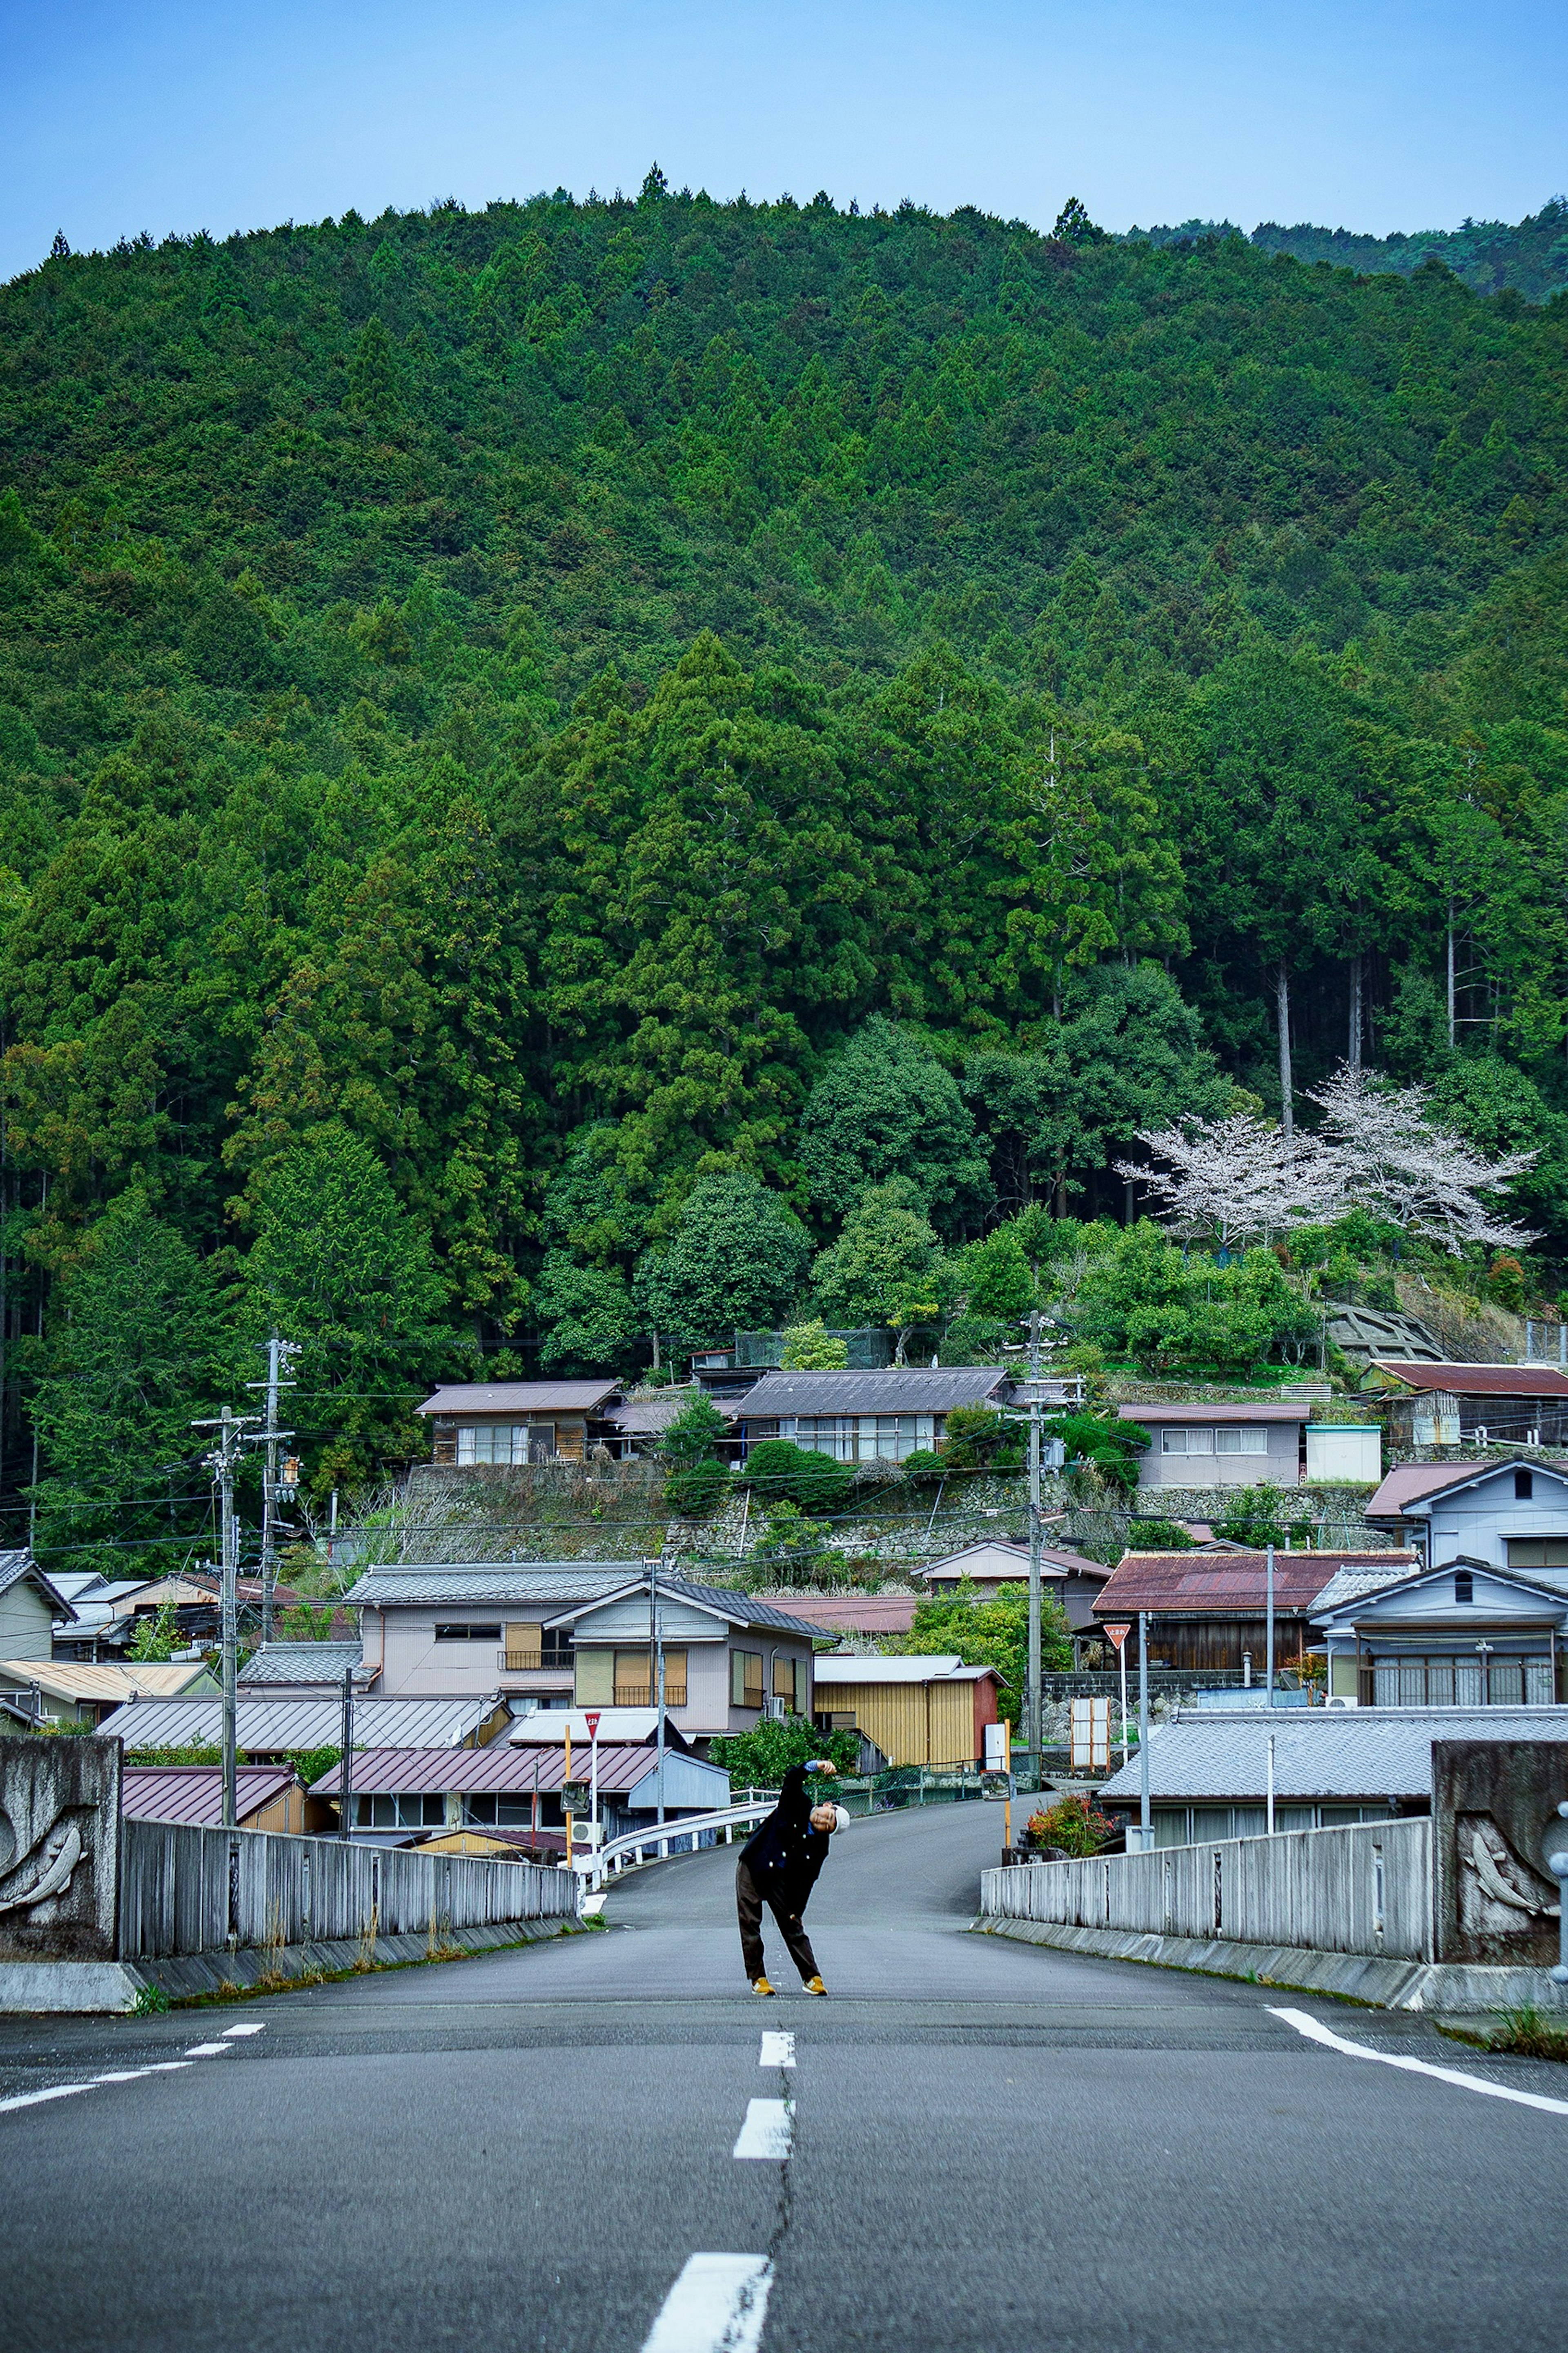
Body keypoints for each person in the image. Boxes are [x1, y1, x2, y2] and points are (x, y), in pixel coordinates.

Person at [737, 1757, 849, 1996]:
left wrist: (797, 1909)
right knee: (750, 1922)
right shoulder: (798, 1802)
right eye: (827, 1816)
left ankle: (812, 1978)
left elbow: (809, 1879)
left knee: (793, 1925)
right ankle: (758, 1979)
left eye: (828, 1826)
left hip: (779, 1878)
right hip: (755, 1863)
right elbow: (792, 1779)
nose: (823, 1822)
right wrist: (815, 1766)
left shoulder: (820, 1846)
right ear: (826, 1806)